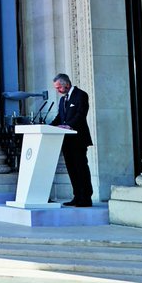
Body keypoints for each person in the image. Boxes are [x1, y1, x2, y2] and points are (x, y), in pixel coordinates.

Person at [50, 73, 94, 206]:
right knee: (71, 169)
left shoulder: (81, 95)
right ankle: (77, 196)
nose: (57, 91)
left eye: (59, 88)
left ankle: (85, 198)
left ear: (67, 85)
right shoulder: (63, 100)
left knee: (81, 168)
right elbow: (60, 117)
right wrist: (48, 126)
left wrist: (70, 125)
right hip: (66, 141)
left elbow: (81, 114)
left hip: (78, 139)